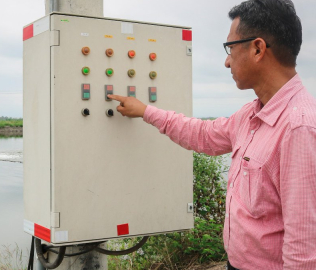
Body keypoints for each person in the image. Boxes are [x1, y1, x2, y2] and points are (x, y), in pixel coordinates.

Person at [108, 0, 316, 269]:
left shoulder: (299, 128)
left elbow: (304, 252)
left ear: (257, 48)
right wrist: (146, 111)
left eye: (230, 48)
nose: (227, 61)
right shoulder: (250, 115)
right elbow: (203, 134)